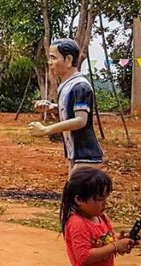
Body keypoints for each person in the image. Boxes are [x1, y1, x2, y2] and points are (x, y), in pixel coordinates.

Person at [28, 38, 104, 172]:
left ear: (68, 60)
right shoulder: (67, 86)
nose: (49, 62)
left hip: (85, 156)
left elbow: (81, 120)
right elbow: (71, 110)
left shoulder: (80, 86)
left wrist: (46, 130)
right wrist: (53, 107)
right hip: (74, 155)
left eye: (53, 58)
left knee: (77, 193)